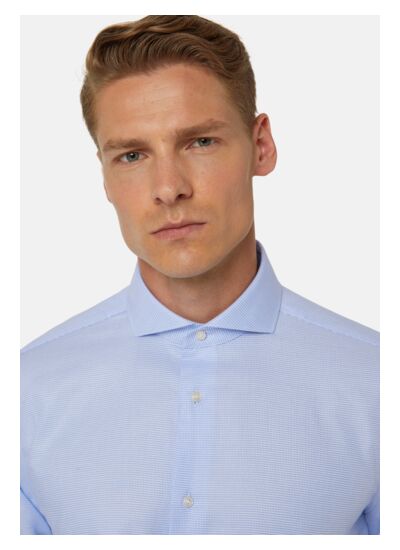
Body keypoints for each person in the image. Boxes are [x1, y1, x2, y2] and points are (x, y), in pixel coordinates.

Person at [20, 15, 379, 535]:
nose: (169, 188)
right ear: (104, 174)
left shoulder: (375, 381)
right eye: (132, 155)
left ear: (261, 146)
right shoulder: (27, 389)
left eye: (200, 142)